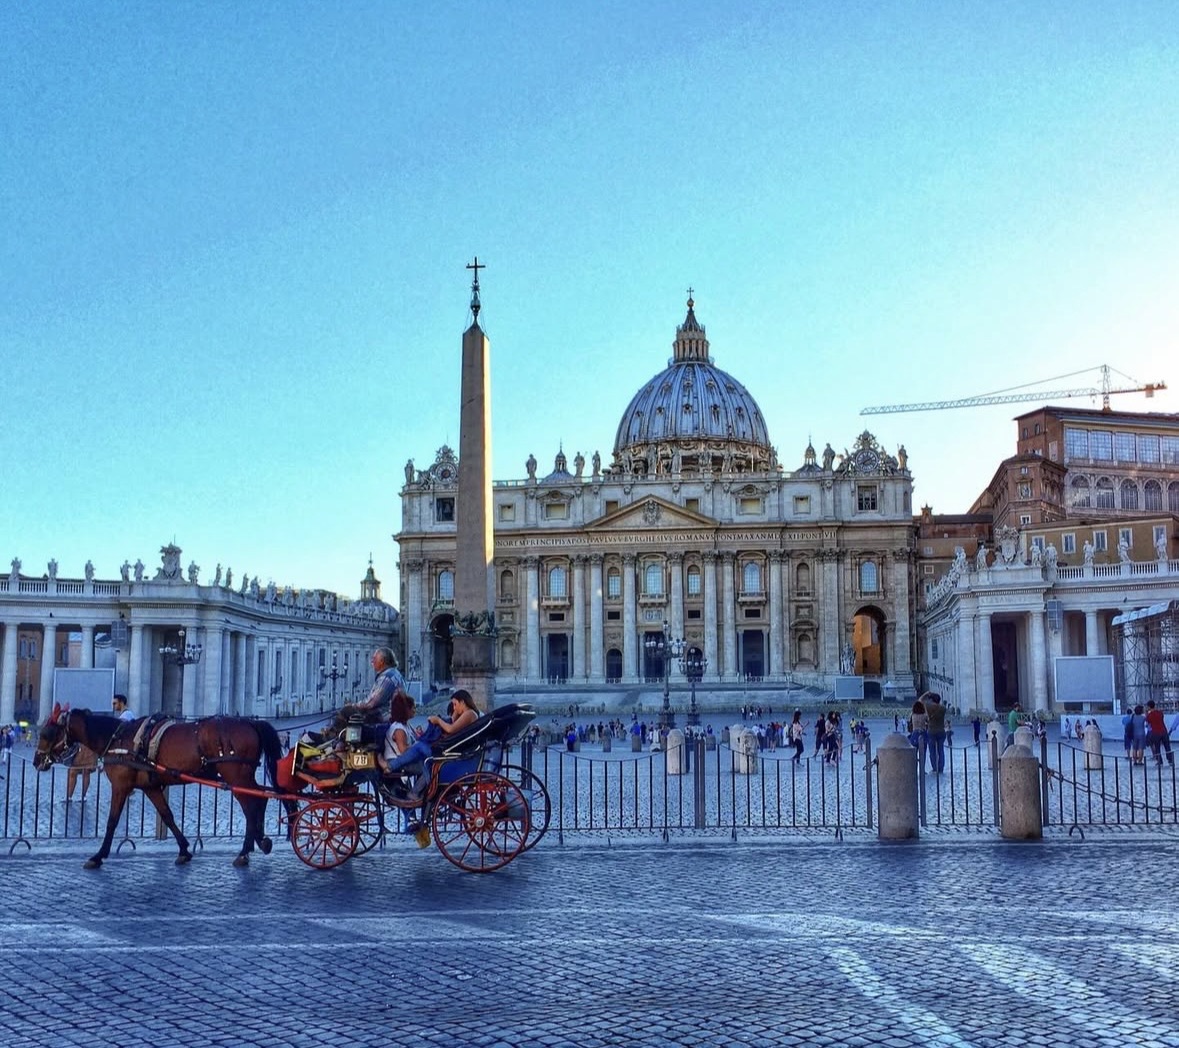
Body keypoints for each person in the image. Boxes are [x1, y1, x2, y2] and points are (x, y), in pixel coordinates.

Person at [923, 692, 947, 773]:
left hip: (931, 731)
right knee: (941, 750)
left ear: (932, 700)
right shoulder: (943, 708)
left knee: (932, 751)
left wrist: (927, 694)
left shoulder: (929, 707)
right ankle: (941, 767)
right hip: (941, 730)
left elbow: (922, 700)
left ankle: (934, 767)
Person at [1145, 701, 1174, 766]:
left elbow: (1147, 722)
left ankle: (1160, 761)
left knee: (1157, 747)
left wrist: (1146, 713)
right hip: (1164, 731)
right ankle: (1170, 760)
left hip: (1155, 732)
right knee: (1167, 747)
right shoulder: (1160, 713)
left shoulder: (1149, 715)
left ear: (1149, 706)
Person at [909, 699, 929, 768]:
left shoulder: (913, 715)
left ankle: (914, 767)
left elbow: (910, 722)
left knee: (914, 753)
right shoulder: (924, 715)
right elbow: (928, 720)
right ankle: (922, 769)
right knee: (923, 754)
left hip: (914, 735)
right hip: (923, 734)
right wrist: (925, 709)